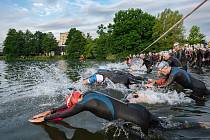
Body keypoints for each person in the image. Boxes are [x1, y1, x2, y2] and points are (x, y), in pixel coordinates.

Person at [29, 90, 160, 135]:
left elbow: (63, 114)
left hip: (138, 121)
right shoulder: (88, 94)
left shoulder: (83, 104)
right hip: (140, 110)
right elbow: (67, 106)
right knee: (164, 126)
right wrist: (50, 110)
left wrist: (45, 119)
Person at [145, 61, 210, 99]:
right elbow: (164, 80)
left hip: (198, 88)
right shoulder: (173, 70)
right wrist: (154, 82)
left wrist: (153, 86)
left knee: (193, 104)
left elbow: (166, 84)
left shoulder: (174, 73)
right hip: (199, 85)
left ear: (166, 67)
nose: (162, 73)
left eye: (162, 71)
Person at [83, 70, 147, 88]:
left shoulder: (95, 77)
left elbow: (91, 80)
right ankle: (146, 80)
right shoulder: (99, 72)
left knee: (131, 83)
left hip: (115, 77)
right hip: (116, 72)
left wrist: (83, 83)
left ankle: (147, 84)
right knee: (133, 78)